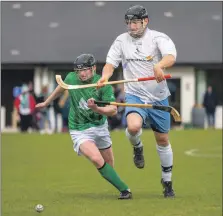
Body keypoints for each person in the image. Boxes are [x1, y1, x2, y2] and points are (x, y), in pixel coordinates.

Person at [97, 5, 177, 198]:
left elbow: (171, 56)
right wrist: (105, 77)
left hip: (158, 97)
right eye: (129, 23)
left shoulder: (158, 38)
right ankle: (137, 147)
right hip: (135, 95)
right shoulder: (121, 41)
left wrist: (159, 65)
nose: (131, 27)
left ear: (145, 21)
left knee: (163, 140)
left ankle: (167, 181)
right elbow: (110, 63)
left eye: (135, 22)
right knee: (133, 127)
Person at [35, 54, 132, 199]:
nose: (82, 73)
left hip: (99, 126)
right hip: (79, 128)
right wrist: (47, 102)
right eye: (79, 70)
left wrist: (97, 109)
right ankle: (125, 190)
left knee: (109, 165)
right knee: (96, 159)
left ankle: (115, 181)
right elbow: (61, 87)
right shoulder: (71, 78)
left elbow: (113, 110)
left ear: (93, 68)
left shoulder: (103, 84)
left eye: (85, 70)